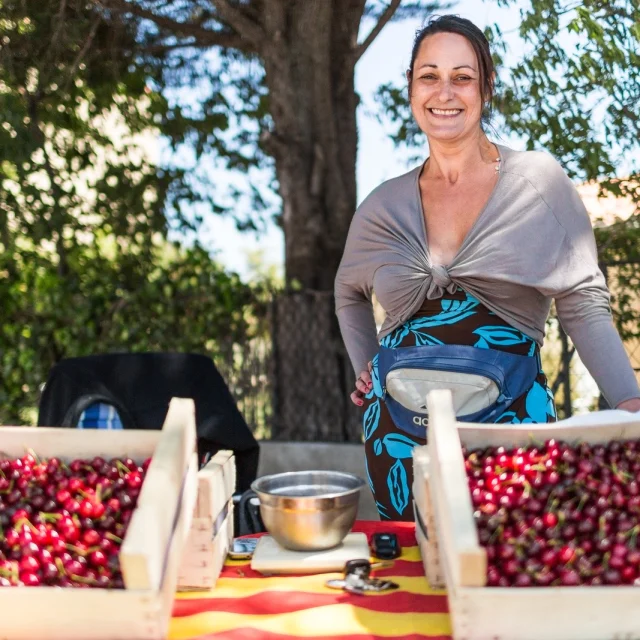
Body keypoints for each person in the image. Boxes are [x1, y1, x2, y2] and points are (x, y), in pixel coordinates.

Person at [334, 15, 640, 522]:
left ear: (486, 88)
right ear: (411, 87)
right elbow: (347, 292)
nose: (444, 91)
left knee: (512, 570)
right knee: (414, 584)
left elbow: (582, 301)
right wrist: (367, 368)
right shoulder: (381, 206)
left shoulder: (537, 183)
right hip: (399, 437)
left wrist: (628, 399)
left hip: (512, 430)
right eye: (428, 75)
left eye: (462, 76)